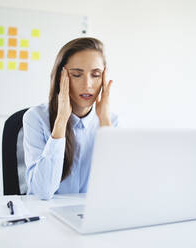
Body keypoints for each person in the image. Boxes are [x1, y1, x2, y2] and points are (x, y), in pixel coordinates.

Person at [23, 37, 118, 200]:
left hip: (87, 216)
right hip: (45, 216)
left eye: (95, 75)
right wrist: (61, 121)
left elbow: (116, 188)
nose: (87, 84)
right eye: (76, 74)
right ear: (61, 77)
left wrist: (105, 124)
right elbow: (43, 192)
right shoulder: (36, 118)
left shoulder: (111, 121)